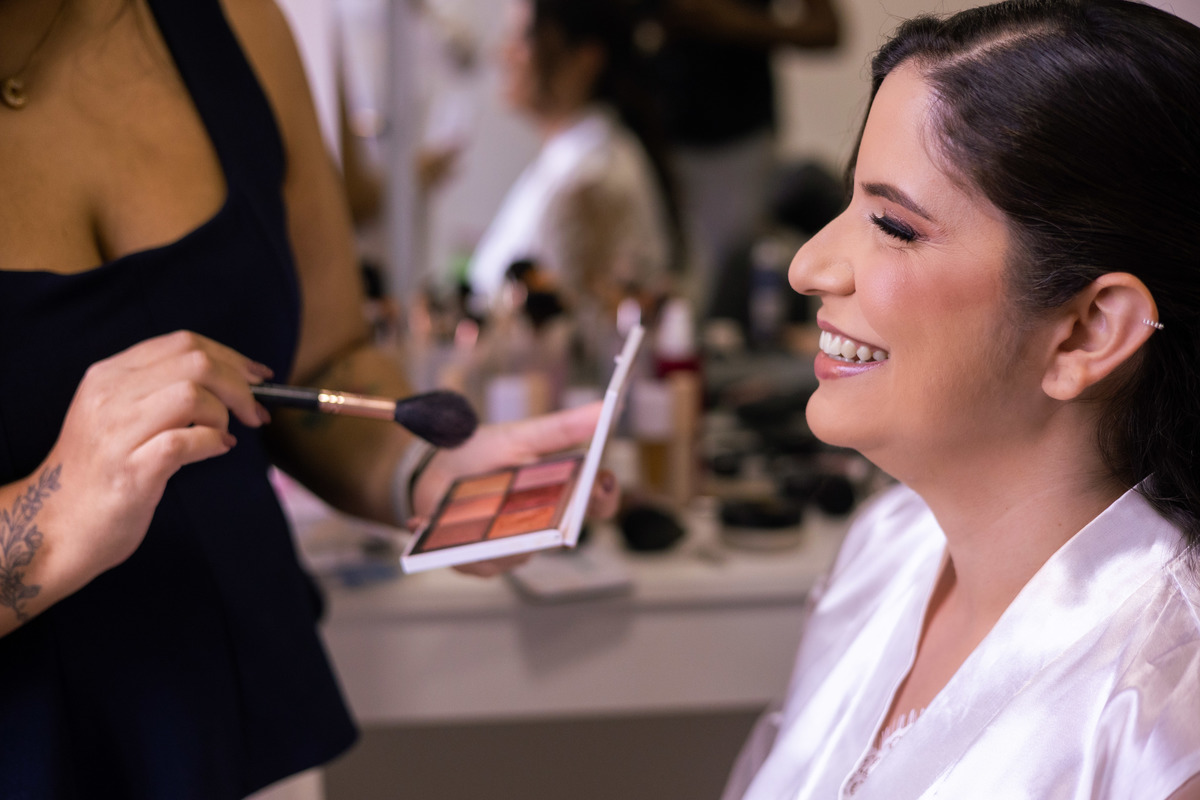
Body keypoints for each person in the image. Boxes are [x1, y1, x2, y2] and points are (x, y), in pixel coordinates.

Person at [0, 0, 617, 797]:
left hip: (246, 729)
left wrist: (423, 468)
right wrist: (52, 522)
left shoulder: (236, 23)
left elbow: (324, 360)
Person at [718, 0, 1200, 797]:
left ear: (1087, 332)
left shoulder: (1165, 718)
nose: (808, 265)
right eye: (847, 204)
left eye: (893, 225)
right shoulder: (886, 546)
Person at [466, 0, 679, 316]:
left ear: (585, 58)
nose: (503, 53)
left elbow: (565, 325)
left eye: (524, 38)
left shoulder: (592, 176)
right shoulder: (569, 158)